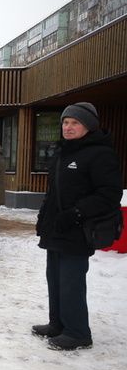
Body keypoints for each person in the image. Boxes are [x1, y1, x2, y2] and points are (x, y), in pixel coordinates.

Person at [33, 103, 122, 350]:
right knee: (55, 278)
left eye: (75, 123)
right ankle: (58, 324)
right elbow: (54, 193)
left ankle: (78, 332)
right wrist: (44, 218)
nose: (68, 128)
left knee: (71, 281)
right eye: (65, 122)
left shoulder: (100, 154)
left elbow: (109, 194)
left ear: (88, 126)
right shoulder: (63, 152)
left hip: (80, 228)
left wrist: (77, 212)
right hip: (58, 228)